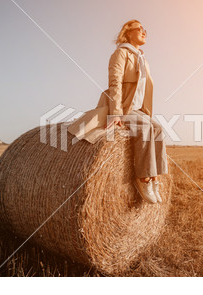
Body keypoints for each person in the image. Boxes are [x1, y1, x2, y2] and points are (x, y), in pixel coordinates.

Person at [67, 19, 168, 204]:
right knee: (145, 128)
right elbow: (115, 82)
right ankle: (143, 178)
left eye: (145, 29)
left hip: (138, 110)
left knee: (158, 128)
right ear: (128, 33)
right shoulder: (121, 54)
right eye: (139, 28)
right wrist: (116, 112)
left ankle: (155, 178)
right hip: (123, 107)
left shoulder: (142, 58)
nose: (144, 32)